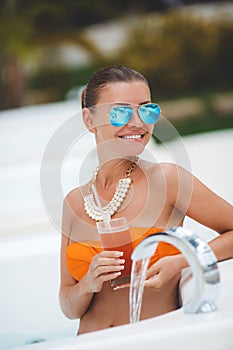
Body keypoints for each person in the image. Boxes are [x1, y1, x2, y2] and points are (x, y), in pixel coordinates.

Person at [59, 65, 233, 335]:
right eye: (120, 112)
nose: (137, 123)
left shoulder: (167, 180)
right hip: (90, 342)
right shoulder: (73, 203)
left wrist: (182, 261)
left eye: (146, 110)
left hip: (150, 340)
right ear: (89, 120)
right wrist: (87, 284)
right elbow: (68, 307)